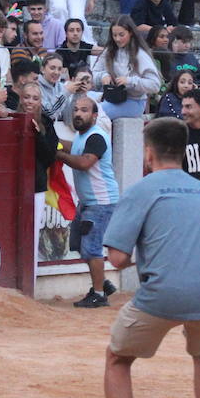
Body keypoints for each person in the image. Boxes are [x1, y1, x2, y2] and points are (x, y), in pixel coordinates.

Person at [86, 117, 200, 398]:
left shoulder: (142, 189)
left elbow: (117, 258)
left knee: (118, 358)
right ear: (183, 152)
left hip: (164, 292)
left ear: (148, 153)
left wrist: (150, 250)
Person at [56, 95, 119, 309]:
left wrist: (57, 154)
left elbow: (84, 163)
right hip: (89, 202)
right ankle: (102, 284)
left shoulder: (96, 137)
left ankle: (99, 294)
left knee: (91, 248)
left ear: (94, 115)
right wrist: (52, 141)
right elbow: (72, 147)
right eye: (76, 110)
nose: (78, 114)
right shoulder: (83, 136)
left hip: (100, 202)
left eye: (84, 110)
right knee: (79, 245)